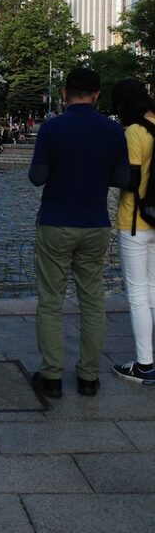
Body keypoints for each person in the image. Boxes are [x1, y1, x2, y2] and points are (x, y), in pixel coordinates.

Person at [28, 67, 129, 399]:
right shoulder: (113, 130)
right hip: (96, 224)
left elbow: (37, 178)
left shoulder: (52, 128)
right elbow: (123, 180)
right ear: (97, 94)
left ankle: (52, 377)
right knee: (93, 301)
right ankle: (88, 377)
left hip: (56, 221)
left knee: (50, 301)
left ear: (64, 93)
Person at [110, 78, 155, 384]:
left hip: (135, 221)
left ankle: (144, 364)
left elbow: (130, 180)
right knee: (153, 290)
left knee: (138, 294)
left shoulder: (134, 132)